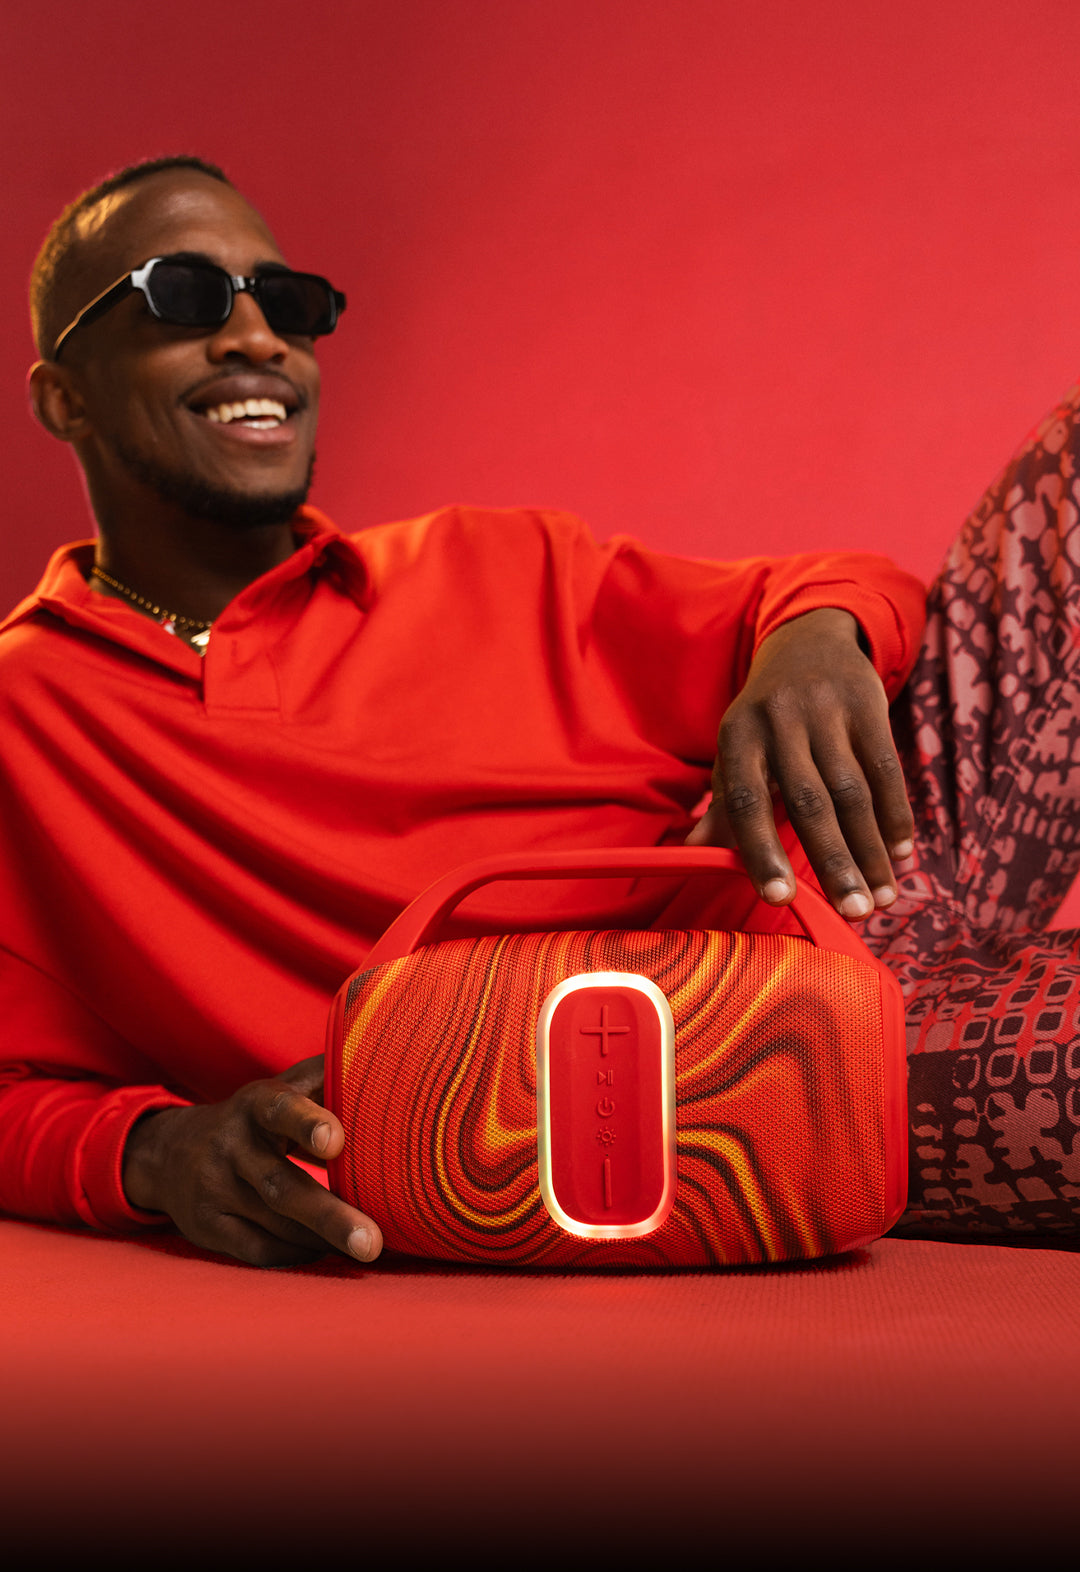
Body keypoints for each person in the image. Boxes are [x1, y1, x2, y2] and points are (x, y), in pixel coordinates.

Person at [0, 157, 1073, 1269]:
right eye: (184, 296)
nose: (259, 338)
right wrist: (154, 1154)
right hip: (724, 1073)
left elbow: (836, 587)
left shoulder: (487, 562)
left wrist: (813, 638)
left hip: (851, 854)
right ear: (62, 396)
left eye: (288, 303)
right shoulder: (28, 711)